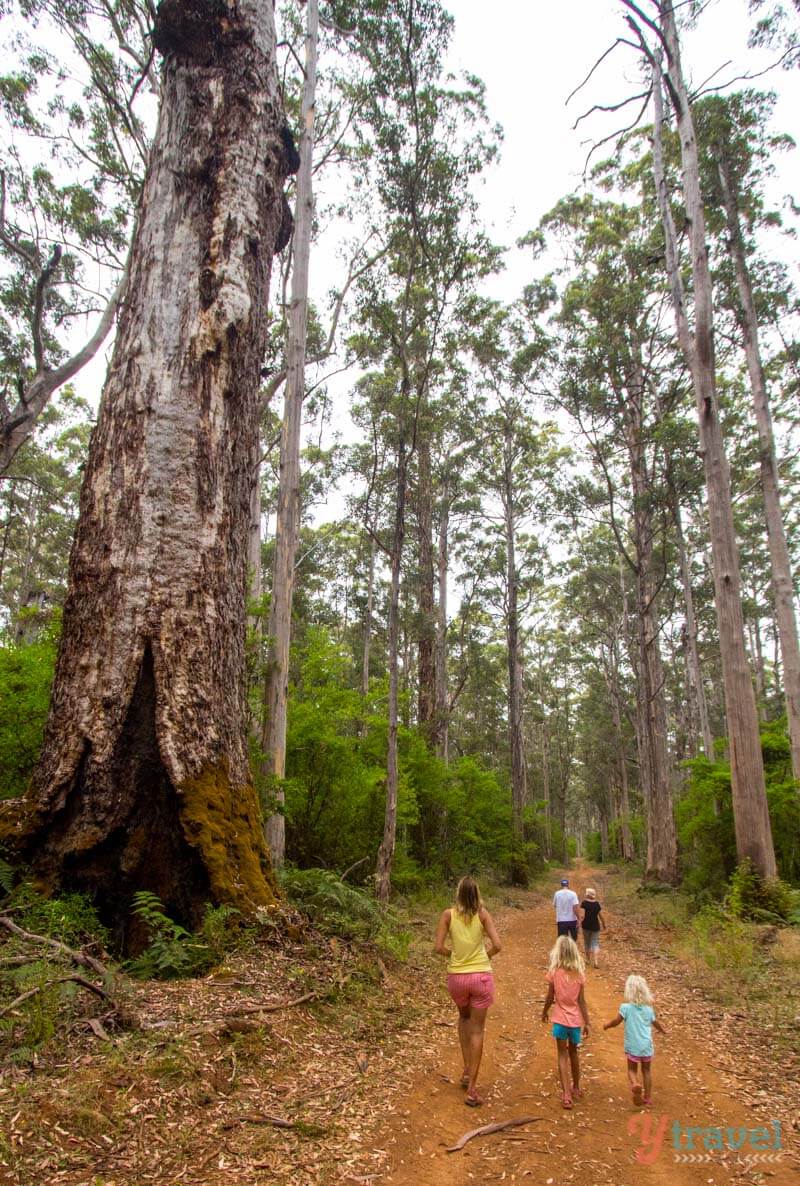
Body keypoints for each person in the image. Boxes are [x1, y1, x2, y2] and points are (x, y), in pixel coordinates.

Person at [434, 875, 501, 1108]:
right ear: (477, 893)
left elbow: (438, 947)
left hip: (457, 978)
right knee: (478, 1030)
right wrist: (485, 957)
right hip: (481, 976)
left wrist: (453, 955)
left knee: (463, 1018)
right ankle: (472, 1087)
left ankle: (465, 1070)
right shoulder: (482, 915)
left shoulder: (447, 915)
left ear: (458, 893)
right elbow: (498, 945)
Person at [541, 935, 590, 1109]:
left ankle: (566, 1094)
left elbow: (549, 997)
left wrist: (544, 1011)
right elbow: (582, 1001)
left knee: (562, 1055)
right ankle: (576, 1087)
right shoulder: (579, 975)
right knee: (574, 1053)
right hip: (575, 1021)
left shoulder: (554, 973)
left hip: (560, 1020)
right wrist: (588, 1022)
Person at [603, 974, 667, 1106]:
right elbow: (656, 1023)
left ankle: (635, 1083)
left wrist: (607, 1025)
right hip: (646, 1045)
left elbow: (616, 1021)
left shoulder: (626, 1008)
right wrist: (662, 1030)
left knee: (632, 1069)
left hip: (633, 1045)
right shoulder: (649, 1010)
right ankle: (648, 1098)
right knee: (647, 1071)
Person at [580, 887, 605, 968]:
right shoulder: (597, 904)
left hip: (586, 926)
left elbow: (582, 915)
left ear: (587, 895)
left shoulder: (584, 903)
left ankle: (587, 960)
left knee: (587, 943)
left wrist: (579, 923)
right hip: (595, 926)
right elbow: (601, 916)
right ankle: (596, 961)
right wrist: (604, 924)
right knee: (595, 943)